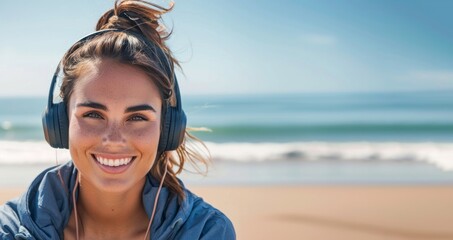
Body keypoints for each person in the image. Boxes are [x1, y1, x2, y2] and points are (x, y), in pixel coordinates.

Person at [0, 0, 236, 239]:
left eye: (137, 117)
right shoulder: (9, 229)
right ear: (60, 123)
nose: (113, 140)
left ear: (167, 129)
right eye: (93, 114)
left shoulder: (207, 232)